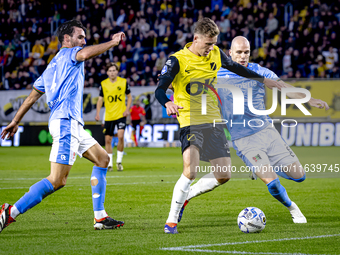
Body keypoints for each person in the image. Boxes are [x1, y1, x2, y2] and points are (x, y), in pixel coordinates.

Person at [179, 36, 329, 224]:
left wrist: (309, 99)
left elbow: (283, 86)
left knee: (299, 176)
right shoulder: (216, 73)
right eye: (239, 52)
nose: (243, 56)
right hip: (243, 140)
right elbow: (187, 81)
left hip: (268, 133)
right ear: (230, 53)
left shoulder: (259, 72)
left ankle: (264, 165)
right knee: (272, 183)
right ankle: (293, 207)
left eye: (246, 52)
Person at [155, 18, 282, 234]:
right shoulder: (177, 60)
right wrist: (167, 102)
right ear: (196, 39)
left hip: (213, 120)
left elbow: (236, 68)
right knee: (191, 170)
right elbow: (160, 89)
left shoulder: (215, 54)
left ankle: (186, 197)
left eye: (214, 43)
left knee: (223, 175)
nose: (211, 48)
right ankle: (171, 221)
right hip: (190, 120)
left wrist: (263, 80)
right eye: (207, 44)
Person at [0, 20, 126, 233]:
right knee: (58, 180)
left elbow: (32, 96)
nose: (83, 42)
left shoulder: (51, 67)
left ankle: (100, 217)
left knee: (103, 159)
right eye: (80, 37)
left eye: (84, 38)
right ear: (66, 39)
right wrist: (112, 43)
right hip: (65, 122)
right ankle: (10, 212)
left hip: (71, 124)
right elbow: (84, 54)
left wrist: (15, 120)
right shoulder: (70, 54)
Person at [95, 63, 132, 171]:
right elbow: (100, 99)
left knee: (120, 136)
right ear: (107, 72)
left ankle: (119, 162)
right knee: (108, 140)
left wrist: (127, 109)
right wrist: (97, 113)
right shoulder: (103, 84)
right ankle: (110, 163)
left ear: (117, 71)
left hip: (121, 114)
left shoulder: (123, 82)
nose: (112, 72)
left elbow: (129, 96)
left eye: (114, 70)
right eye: (110, 71)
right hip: (109, 115)